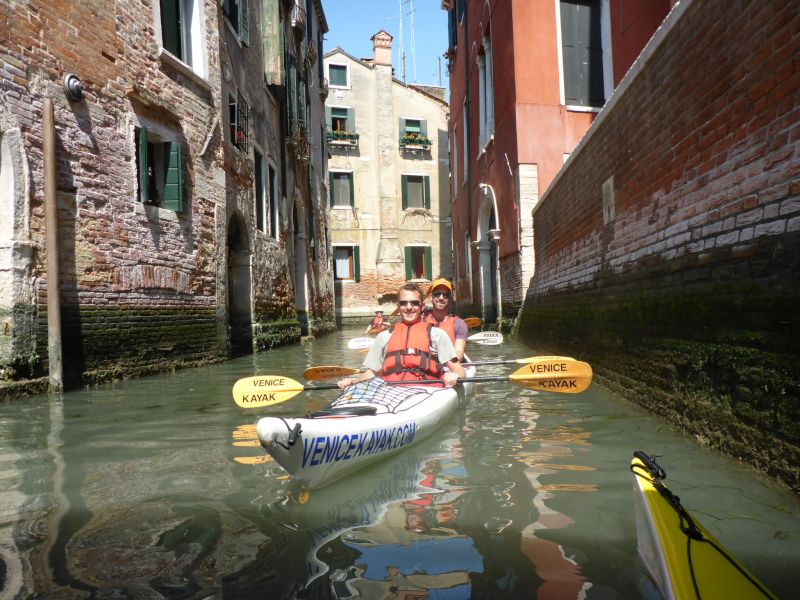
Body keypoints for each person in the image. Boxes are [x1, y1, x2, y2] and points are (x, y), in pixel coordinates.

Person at [338, 283, 466, 389]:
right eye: (404, 303)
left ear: (421, 306)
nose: (409, 307)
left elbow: (460, 371)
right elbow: (372, 372)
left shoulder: (437, 335)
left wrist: (455, 376)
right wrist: (353, 382)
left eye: (414, 303)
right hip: (389, 392)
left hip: (426, 390)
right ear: (398, 307)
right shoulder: (384, 336)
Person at [423, 278, 468, 363]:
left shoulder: (459, 324)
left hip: (448, 367)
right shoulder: (422, 320)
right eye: (437, 294)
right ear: (431, 297)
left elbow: (459, 353)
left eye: (445, 295)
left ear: (450, 298)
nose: (441, 298)